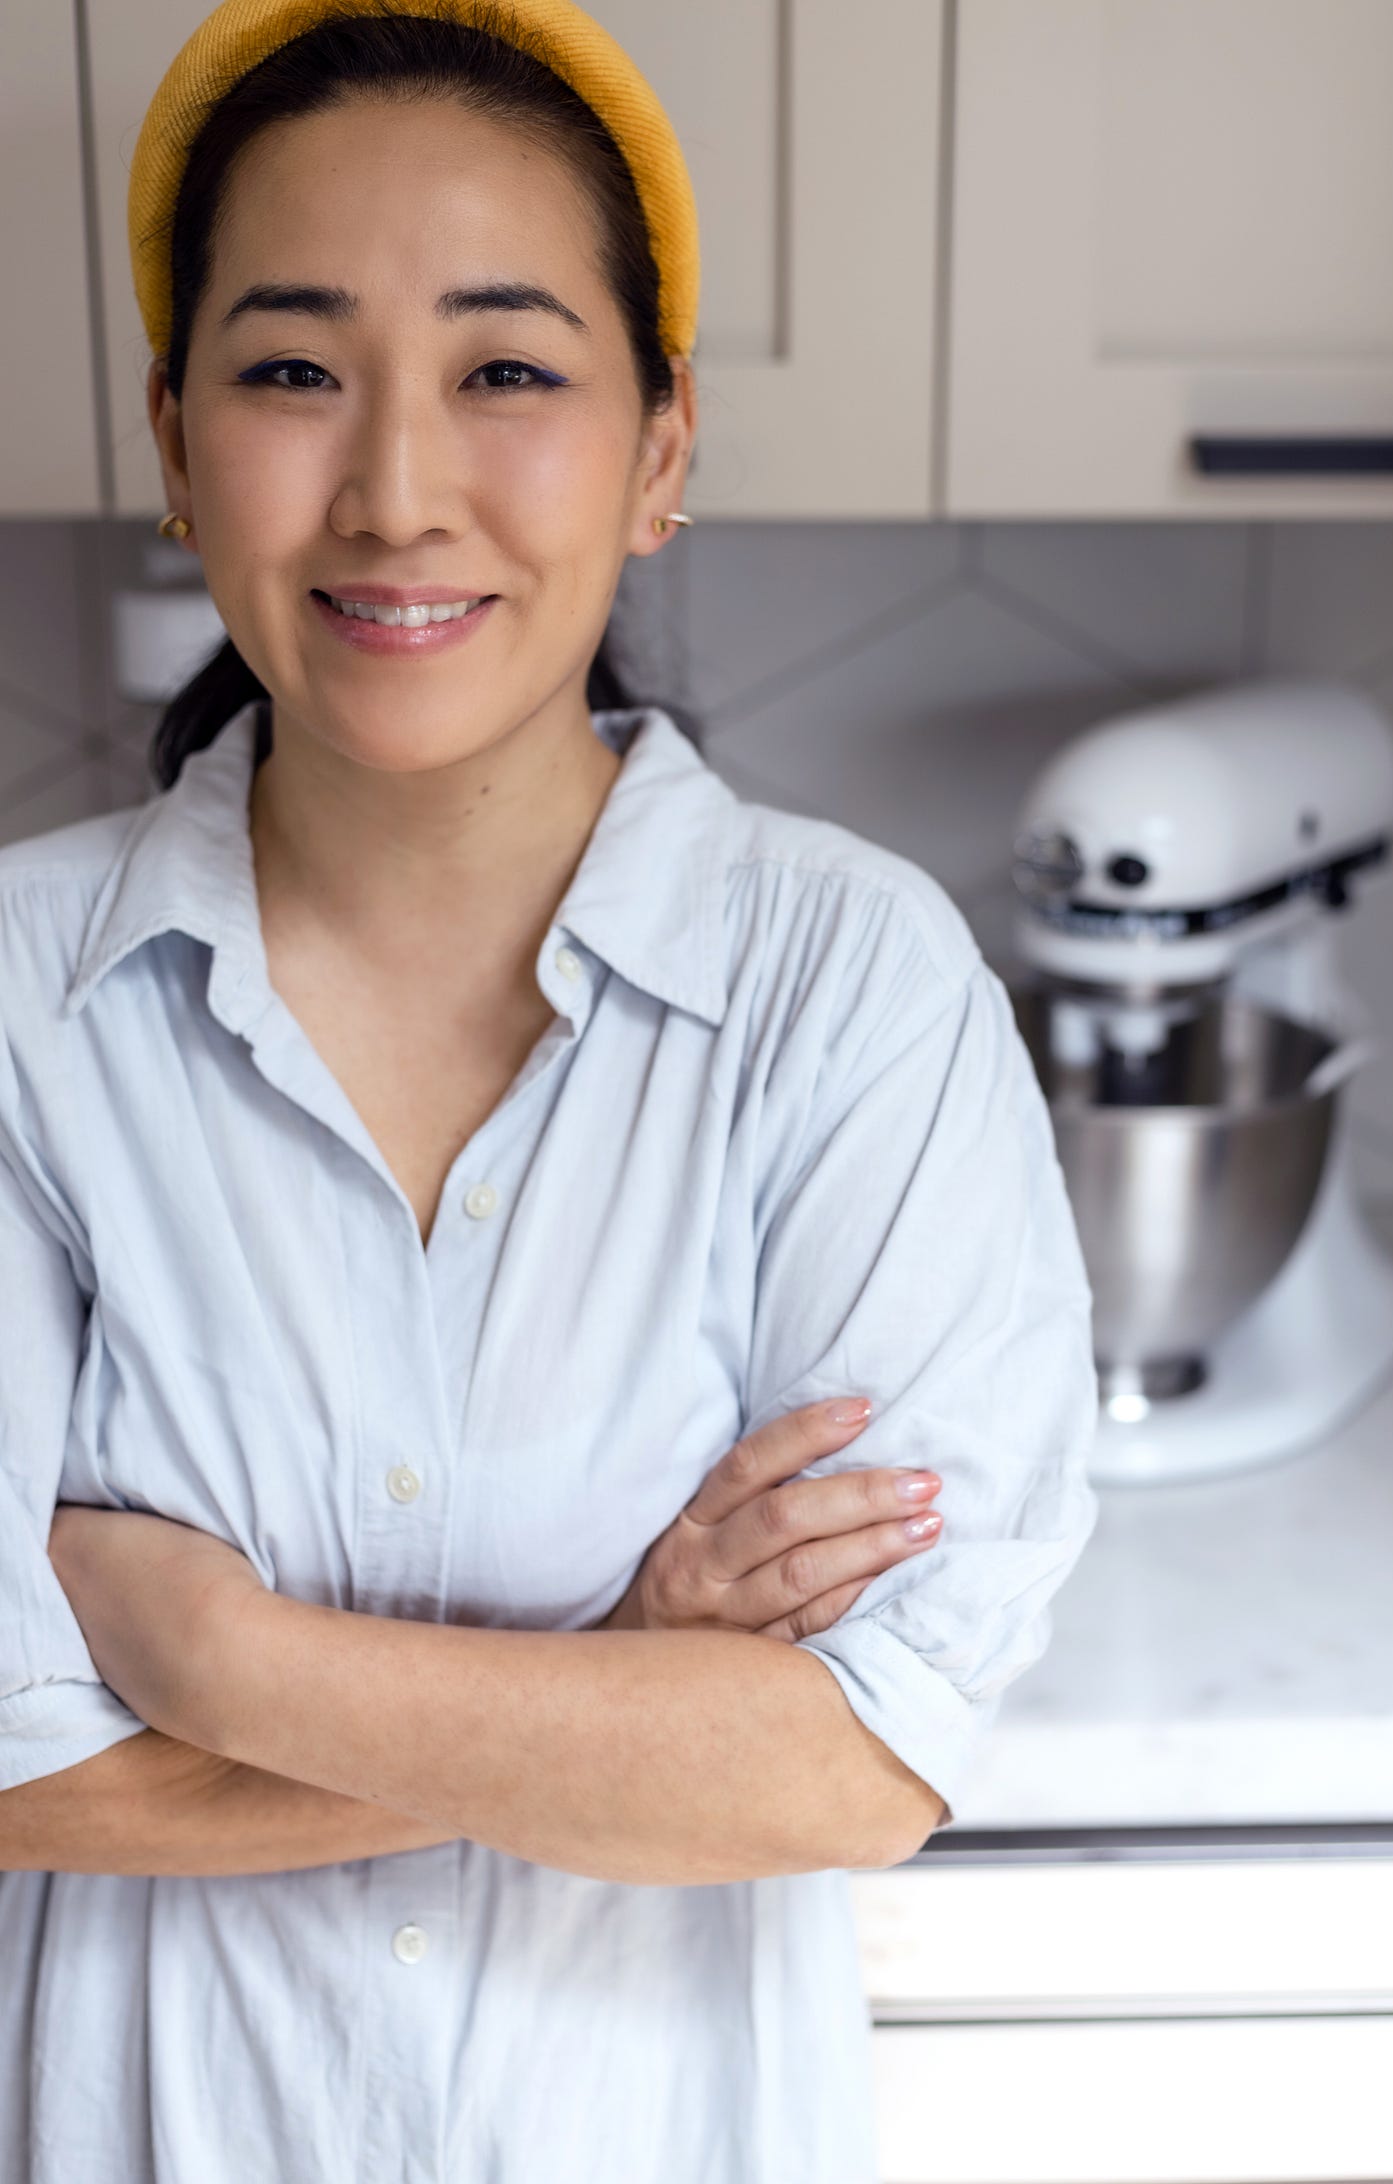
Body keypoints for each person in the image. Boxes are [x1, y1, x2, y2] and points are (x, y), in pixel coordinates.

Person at [0, 3, 1101, 2177]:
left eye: (507, 369)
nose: (396, 488)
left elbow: (850, 1764)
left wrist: (208, 1650)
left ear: (661, 446)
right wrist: (626, 1679)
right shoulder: (21, 1003)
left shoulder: (846, 985)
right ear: (173, 434)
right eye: (292, 368)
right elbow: (19, 1780)